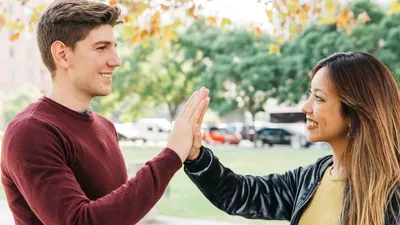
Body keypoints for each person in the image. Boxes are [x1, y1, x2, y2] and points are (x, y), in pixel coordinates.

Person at [0, 1, 210, 225]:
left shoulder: (105, 127)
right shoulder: (30, 132)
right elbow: (79, 221)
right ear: (62, 54)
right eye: (101, 48)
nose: (116, 61)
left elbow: (119, 212)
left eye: (115, 47)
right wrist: (171, 155)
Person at [184, 52, 400, 225]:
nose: (305, 107)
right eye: (310, 95)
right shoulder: (309, 179)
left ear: (355, 113)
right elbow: (240, 194)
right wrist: (196, 157)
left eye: (318, 98)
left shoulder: (393, 195)